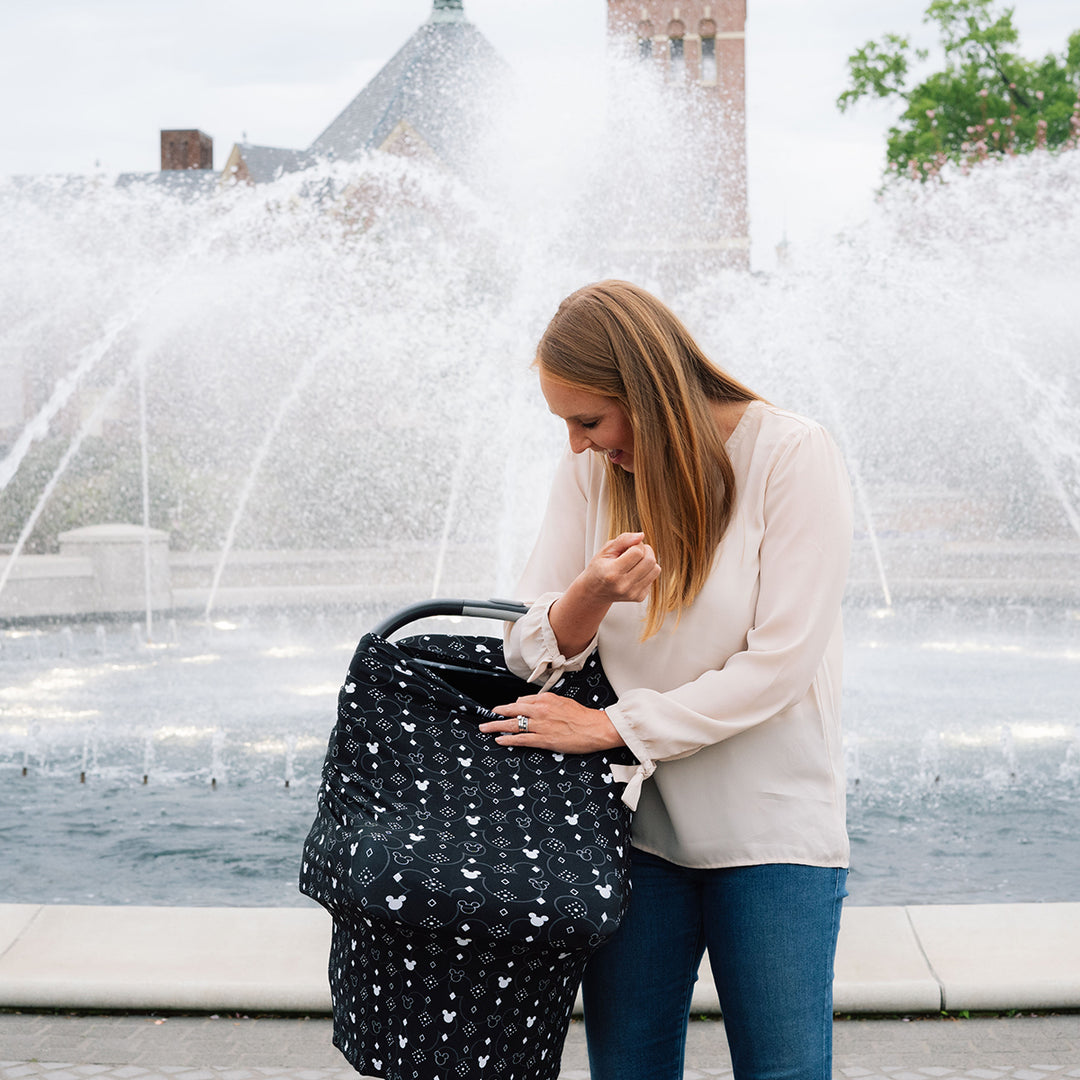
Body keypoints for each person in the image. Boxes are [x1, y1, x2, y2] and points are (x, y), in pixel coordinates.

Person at [478, 280, 853, 1080]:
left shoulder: (789, 453)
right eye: (567, 426)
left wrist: (618, 727)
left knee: (783, 1071)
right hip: (629, 832)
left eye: (589, 420)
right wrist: (590, 595)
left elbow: (780, 665)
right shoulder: (591, 475)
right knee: (628, 1071)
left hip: (771, 832)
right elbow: (526, 647)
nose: (578, 444)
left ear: (647, 393)